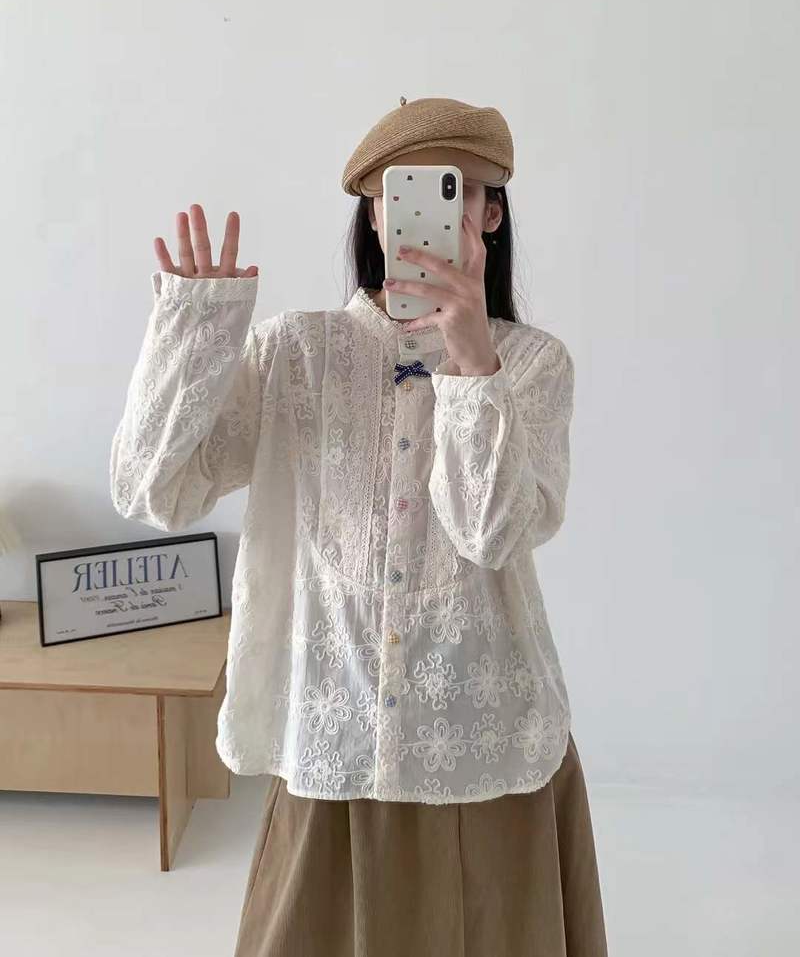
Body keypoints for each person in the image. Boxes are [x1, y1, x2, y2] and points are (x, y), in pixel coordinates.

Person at [109, 96, 609, 956]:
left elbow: (491, 534)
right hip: (331, 736)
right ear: (374, 216)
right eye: (398, 194)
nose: (427, 213)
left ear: (491, 213)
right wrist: (194, 333)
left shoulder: (533, 365)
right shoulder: (295, 352)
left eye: (457, 191)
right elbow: (156, 491)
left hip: (483, 743)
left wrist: (472, 363)